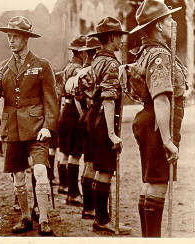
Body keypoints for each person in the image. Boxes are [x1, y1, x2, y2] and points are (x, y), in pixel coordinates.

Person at [0, 16, 59, 236]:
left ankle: (45, 220)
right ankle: (26, 217)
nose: (11, 41)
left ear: (26, 38)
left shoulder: (42, 65)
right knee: (18, 177)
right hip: (12, 128)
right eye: (9, 37)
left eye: (15, 37)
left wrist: (49, 125)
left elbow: (51, 99)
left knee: (40, 171)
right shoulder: (2, 67)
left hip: (38, 128)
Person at [126, 0, 186, 237]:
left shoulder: (147, 51)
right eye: (169, 19)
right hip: (158, 123)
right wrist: (168, 140)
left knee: (150, 183)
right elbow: (161, 98)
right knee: (158, 184)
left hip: (151, 120)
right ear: (158, 26)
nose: (173, 23)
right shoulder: (160, 55)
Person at [76, 16, 131, 234]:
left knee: (100, 168)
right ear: (110, 38)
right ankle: (102, 220)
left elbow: (83, 88)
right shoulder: (110, 63)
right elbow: (109, 98)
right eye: (118, 36)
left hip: (93, 115)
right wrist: (111, 134)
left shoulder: (96, 60)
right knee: (106, 169)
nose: (121, 40)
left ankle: (101, 217)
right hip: (103, 119)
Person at [58, 35, 87, 205]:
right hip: (73, 111)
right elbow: (78, 96)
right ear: (81, 53)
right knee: (75, 154)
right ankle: (74, 193)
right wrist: (82, 115)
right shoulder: (77, 69)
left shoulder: (68, 66)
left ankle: (64, 186)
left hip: (65, 110)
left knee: (65, 152)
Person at [75, 36, 102, 219]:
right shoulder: (96, 70)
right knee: (94, 163)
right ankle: (90, 207)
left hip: (85, 115)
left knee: (87, 162)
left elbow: (77, 97)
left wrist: (84, 113)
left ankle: (87, 207)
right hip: (95, 115)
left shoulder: (82, 72)